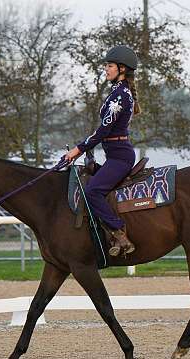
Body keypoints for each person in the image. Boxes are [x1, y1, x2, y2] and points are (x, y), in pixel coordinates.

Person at [64, 45, 141, 257]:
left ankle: (119, 232)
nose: (105, 69)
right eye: (106, 66)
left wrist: (77, 150)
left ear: (122, 69)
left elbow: (103, 130)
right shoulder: (117, 92)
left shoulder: (120, 95)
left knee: (92, 192)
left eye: (109, 66)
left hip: (120, 158)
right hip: (114, 156)